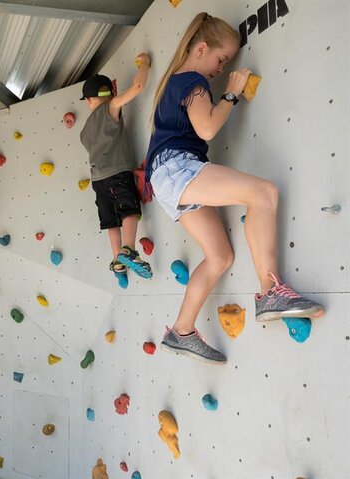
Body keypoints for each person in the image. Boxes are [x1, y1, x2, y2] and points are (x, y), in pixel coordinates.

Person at [145, 12, 324, 364]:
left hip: (165, 176)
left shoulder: (173, 84)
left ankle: (181, 330)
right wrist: (230, 93)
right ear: (200, 48)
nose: (221, 67)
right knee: (263, 194)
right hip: (176, 167)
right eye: (220, 58)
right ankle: (271, 293)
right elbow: (208, 129)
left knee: (220, 257)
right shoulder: (192, 81)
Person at [79, 54, 153, 288]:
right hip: (117, 173)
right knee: (129, 210)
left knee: (111, 221)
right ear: (109, 95)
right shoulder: (111, 107)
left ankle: (118, 265)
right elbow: (138, 87)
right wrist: (144, 65)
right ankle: (128, 250)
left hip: (98, 181)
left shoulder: (85, 130)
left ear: (89, 100)